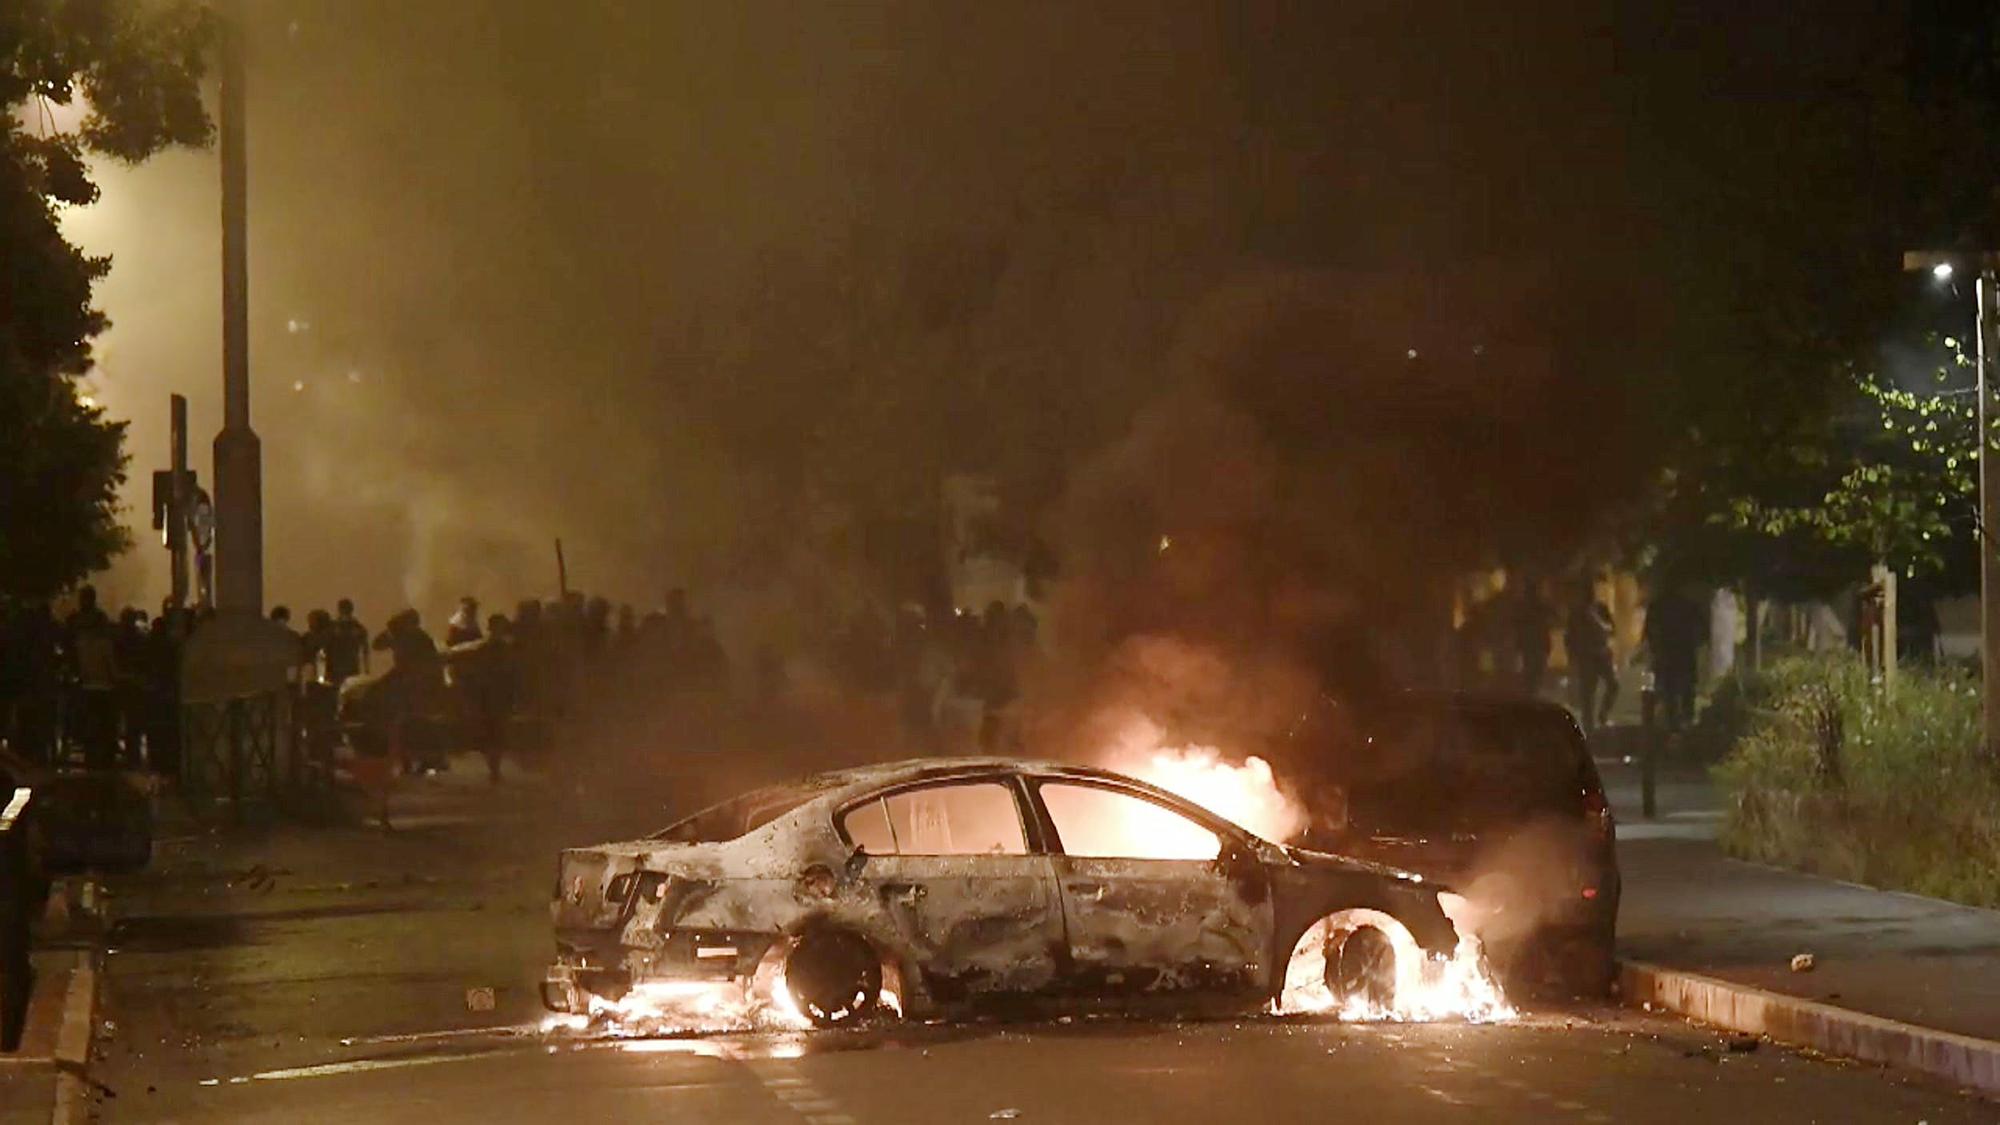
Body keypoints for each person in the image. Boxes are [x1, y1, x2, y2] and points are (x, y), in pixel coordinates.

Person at [64, 586, 120, 768]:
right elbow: (110, 666)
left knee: (90, 726)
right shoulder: (103, 642)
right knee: (104, 727)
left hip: (87, 686)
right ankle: (104, 756)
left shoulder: (79, 638)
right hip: (103, 687)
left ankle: (92, 754)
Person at [1643, 584, 1705, 732]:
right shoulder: (1690, 606)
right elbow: (1702, 631)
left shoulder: (1658, 606)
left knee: (1670, 689)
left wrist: (1655, 648)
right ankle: (1685, 721)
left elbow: (1649, 631)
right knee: (1686, 688)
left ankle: (1673, 724)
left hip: (1668, 653)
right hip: (1684, 652)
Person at [1566, 585, 1617, 733]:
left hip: (1601, 654)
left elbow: (1612, 629)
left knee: (1613, 685)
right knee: (1587, 693)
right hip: (1586, 656)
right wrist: (1573, 656)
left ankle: (1602, 715)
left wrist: (1597, 621)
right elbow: (1569, 637)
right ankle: (1589, 728)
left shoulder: (1600, 608)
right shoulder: (1576, 613)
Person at [1512, 580, 1555, 697]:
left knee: (1531, 675)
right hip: (1537, 646)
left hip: (1531, 646)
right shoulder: (1540, 606)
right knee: (1535, 675)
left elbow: (1517, 627)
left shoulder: (1522, 607)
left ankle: (1532, 696)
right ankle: (1533, 696)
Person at [323, 598, 369, 688]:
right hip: (341, 666)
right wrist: (367, 669)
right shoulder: (357, 628)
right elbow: (365, 650)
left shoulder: (332, 627)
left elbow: (365, 650)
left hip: (341, 667)